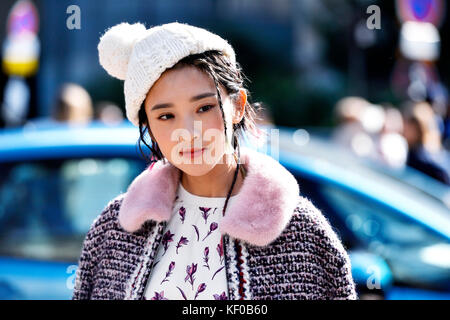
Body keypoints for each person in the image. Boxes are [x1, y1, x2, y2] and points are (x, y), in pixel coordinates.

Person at [72, 22, 357, 300]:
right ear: (148, 127)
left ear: (238, 106)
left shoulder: (300, 230)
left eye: (204, 107)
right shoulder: (115, 228)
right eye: (166, 116)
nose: (189, 132)